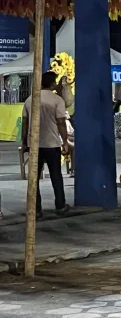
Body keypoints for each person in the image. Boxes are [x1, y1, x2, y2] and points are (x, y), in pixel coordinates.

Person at [21, 72, 70, 219]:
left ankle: (36, 210)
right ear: (53, 84)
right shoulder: (57, 100)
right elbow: (61, 122)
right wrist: (65, 142)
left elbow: (25, 123)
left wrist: (24, 142)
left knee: (34, 178)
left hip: (34, 144)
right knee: (56, 175)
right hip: (51, 143)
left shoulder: (30, 100)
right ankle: (60, 206)